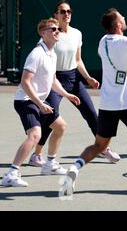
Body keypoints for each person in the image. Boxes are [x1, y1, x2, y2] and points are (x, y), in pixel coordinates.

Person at [63, 4, 127, 195]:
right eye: (121, 17)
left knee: (99, 145)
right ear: (117, 24)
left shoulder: (103, 42)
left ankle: (75, 167)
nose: (125, 18)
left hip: (107, 104)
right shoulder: (122, 43)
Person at [29, 0, 120, 168]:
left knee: (92, 114)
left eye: (69, 11)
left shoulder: (77, 34)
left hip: (74, 80)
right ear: (55, 15)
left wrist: (88, 78)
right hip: (55, 80)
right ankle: (36, 155)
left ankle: (103, 148)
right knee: (51, 117)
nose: (66, 14)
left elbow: (78, 60)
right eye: (62, 12)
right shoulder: (51, 35)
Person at [2, 18, 80, 187]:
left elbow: (52, 80)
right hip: (26, 101)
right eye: (52, 29)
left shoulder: (52, 54)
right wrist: (39, 103)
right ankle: (11, 173)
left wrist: (67, 95)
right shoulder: (37, 54)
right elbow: (25, 81)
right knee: (35, 135)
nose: (57, 31)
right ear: (43, 33)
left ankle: (50, 164)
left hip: (38, 101)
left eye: (57, 29)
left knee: (60, 126)